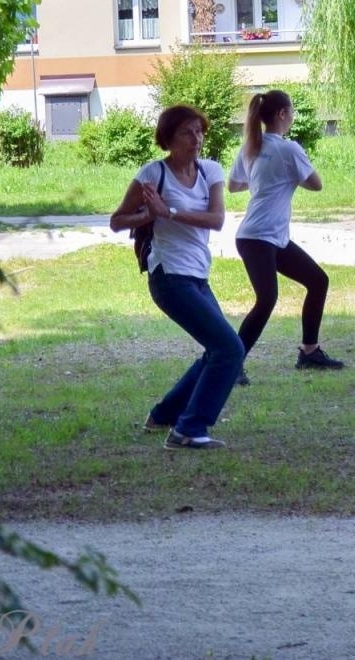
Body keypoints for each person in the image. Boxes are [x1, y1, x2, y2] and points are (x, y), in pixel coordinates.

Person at [110, 105, 242, 450]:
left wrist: (167, 212)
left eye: (199, 131)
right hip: (168, 276)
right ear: (168, 139)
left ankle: (164, 415)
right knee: (229, 348)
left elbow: (216, 220)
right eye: (187, 132)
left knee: (219, 349)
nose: (196, 139)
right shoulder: (153, 174)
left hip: (198, 273)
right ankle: (188, 429)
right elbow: (117, 221)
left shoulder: (210, 171)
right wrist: (147, 216)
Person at [227, 89, 340, 379]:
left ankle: (309, 352)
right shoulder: (288, 149)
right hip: (258, 238)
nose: (292, 117)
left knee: (318, 281)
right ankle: (230, 363)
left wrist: (265, 179)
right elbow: (316, 184)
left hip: (267, 237)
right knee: (266, 300)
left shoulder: (251, 146)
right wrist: (284, 175)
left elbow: (234, 185)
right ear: (281, 114)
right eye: (291, 112)